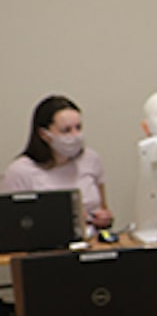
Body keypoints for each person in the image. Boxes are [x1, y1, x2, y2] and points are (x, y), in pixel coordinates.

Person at [2, 95, 114, 229]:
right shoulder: (20, 171)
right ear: (44, 134)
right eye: (66, 130)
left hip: (92, 243)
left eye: (78, 128)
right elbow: (10, 226)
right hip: (45, 246)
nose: (75, 135)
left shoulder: (91, 159)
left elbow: (103, 209)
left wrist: (104, 219)